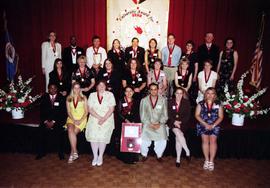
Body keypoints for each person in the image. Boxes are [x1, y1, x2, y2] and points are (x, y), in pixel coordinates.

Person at [85, 81, 116, 166]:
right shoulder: (92, 95)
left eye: (103, 85)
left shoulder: (110, 95)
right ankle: (95, 156)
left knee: (102, 137)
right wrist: (99, 118)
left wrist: (104, 118)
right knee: (93, 136)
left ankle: (100, 156)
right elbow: (90, 109)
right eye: (99, 85)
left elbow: (111, 109)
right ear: (97, 87)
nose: (101, 87)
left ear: (106, 87)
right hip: (94, 118)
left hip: (107, 118)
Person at [195, 87, 223, 171]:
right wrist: (205, 124)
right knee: (205, 142)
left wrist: (213, 125)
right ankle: (206, 160)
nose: (210, 95)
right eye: (208, 93)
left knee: (213, 141)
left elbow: (221, 117)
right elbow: (196, 115)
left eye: (212, 93)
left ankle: (211, 161)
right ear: (205, 94)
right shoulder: (200, 104)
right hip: (203, 125)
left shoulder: (219, 104)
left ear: (215, 95)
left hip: (215, 126)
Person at [36, 83, 66, 160]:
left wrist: (53, 121)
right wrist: (46, 121)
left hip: (57, 121)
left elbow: (63, 112)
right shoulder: (44, 97)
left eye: (54, 88)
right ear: (48, 89)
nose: (53, 90)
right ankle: (41, 152)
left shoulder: (62, 98)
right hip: (46, 121)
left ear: (57, 89)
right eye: (51, 88)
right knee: (40, 132)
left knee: (60, 132)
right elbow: (41, 111)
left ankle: (61, 153)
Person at [140, 83, 168, 162]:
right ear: (149, 90)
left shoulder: (163, 100)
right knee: (143, 138)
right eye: (151, 89)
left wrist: (160, 123)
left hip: (159, 124)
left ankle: (159, 155)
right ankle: (144, 155)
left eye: (155, 89)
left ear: (158, 90)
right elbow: (142, 115)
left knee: (163, 138)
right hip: (148, 123)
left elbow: (165, 115)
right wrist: (149, 123)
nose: (153, 91)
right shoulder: (144, 100)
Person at [167, 87, 191, 167]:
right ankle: (187, 151)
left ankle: (178, 159)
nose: (179, 95)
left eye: (181, 93)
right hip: (172, 123)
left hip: (183, 123)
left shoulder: (186, 102)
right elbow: (168, 114)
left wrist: (181, 122)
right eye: (177, 93)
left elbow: (188, 115)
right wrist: (174, 121)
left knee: (178, 139)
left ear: (183, 94)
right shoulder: (170, 102)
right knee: (178, 133)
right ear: (174, 94)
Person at [117, 86, 141, 164]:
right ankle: (126, 158)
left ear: (133, 92)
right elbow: (119, 112)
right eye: (127, 91)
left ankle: (133, 157)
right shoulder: (121, 100)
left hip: (133, 123)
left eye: (130, 91)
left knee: (133, 140)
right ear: (124, 92)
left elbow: (138, 113)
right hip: (123, 122)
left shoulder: (136, 101)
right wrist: (125, 120)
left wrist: (133, 122)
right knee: (125, 140)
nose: (129, 93)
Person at [66, 82, 88, 164]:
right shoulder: (69, 98)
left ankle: (72, 154)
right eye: (75, 88)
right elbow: (68, 111)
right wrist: (73, 119)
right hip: (71, 118)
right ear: (72, 89)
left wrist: (80, 120)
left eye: (78, 88)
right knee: (70, 130)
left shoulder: (84, 98)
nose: (77, 89)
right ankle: (75, 151)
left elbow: (86, 112)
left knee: (73, 133)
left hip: (81, 119)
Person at [181, 40, 199, 106]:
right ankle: (183, 102)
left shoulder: (194, 55)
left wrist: (195, 76)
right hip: (183, 74)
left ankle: (190, 104)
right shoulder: (183, 54)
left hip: (191, 74)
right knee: (183, 87)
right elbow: (180, 65)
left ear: (192, 47)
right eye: (187, 45)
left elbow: (196, 66)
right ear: (186, 46)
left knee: (190, 89)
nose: (188, 47)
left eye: (190, 46)